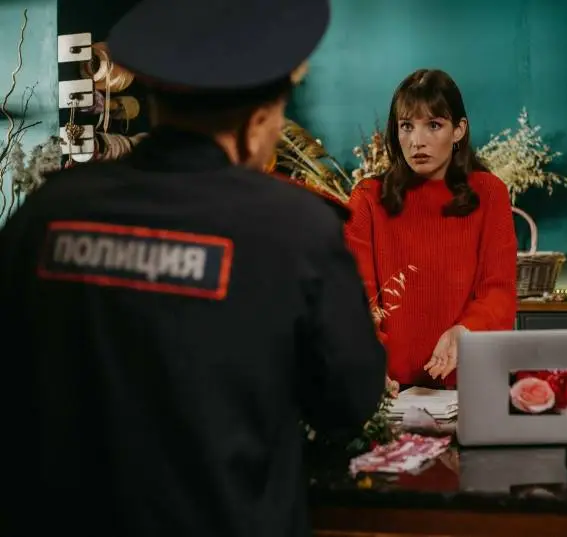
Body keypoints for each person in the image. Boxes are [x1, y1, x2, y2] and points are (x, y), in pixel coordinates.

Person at [0, 1, 386, 536]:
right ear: (258, 121)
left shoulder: (48, 212)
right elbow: (347, 402)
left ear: (156, 101)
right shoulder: (295, 229)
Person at [345, 68, 517, 390]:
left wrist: (465, 331)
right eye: (407, 126)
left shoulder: (489, 193)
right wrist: (368, 363)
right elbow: (356, 300)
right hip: (389, 390)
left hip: (467, 385)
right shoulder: (367, 198)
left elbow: (498, 291)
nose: (417, 141)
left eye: (434, 125)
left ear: (458, 130)